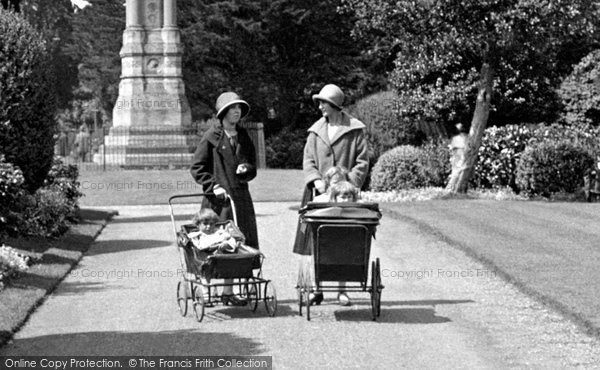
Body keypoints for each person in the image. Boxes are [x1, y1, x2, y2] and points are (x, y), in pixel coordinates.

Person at [293, 83, 369, 306]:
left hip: (345, 195)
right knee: (318, 239)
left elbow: (362, 162)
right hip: (318, 193)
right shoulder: (315, 131)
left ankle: (342, 290)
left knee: (344, 240)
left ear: (334, 105)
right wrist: (316, 180)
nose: (319, 107)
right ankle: (317, 288)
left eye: (323, 103)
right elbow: (308, 160)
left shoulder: (354, 130)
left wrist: (348, 184)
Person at [190, 91, 259, 306]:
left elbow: (252, 166)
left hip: (240, 200)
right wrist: (213, 186)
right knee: (212, 246)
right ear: (223, 113)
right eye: (232, 109)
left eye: (239, 108)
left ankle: (228, 291)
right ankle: (207, 291)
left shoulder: (244, 136)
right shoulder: (211, 137)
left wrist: (246, 168)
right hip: (218, 203)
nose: (237, 112)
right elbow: (197, 168)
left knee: (236, 245)